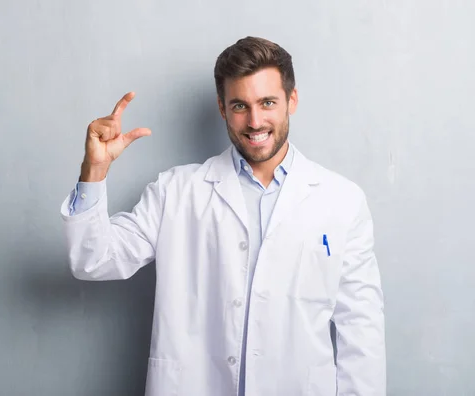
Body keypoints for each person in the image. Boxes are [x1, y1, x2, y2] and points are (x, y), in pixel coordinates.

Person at [60, 36, 386, 396]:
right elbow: (93, 260)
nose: (255, 120)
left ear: (291, 100)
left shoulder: (341, 201)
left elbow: (361, 327)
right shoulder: (176, 191)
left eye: (268, 102)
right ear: (222, 108)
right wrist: (94, 172)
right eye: (240, 106)